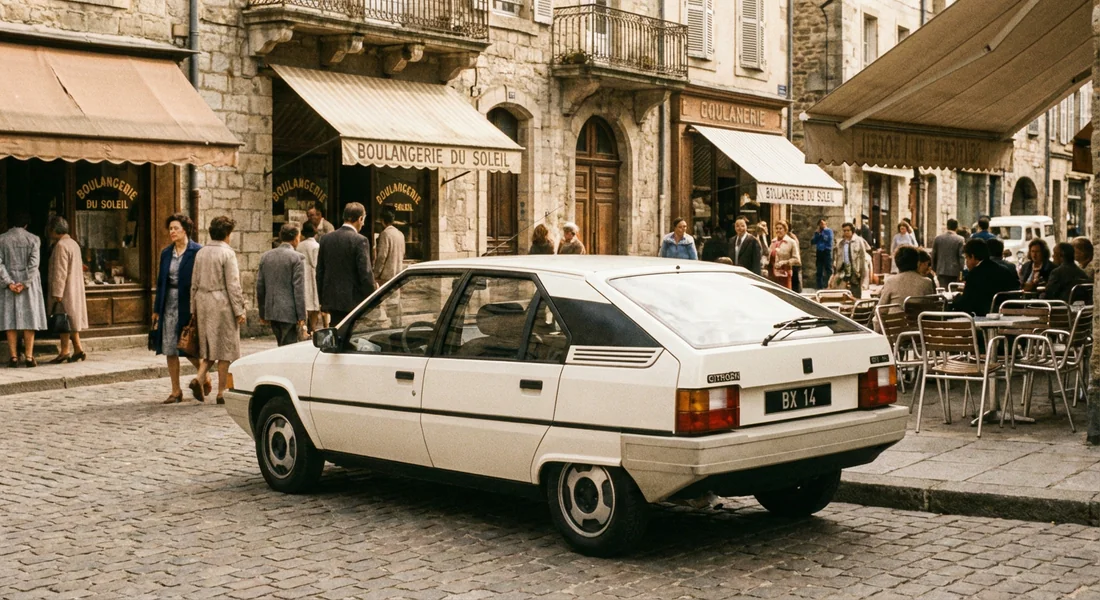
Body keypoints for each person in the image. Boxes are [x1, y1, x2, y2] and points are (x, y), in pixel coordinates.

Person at [189, 216, 247, 404]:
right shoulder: (227, 253)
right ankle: (222, 391)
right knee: (225, 348)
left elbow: (194, 283)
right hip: (221, 303)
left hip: (203, 302)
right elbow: (233, 284)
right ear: (227, 234)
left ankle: (199, 377)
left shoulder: (201, 252)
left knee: (208, 346)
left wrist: (193, 307)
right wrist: (239, 310)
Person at [153, 214, 207, 404]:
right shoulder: (166, 253)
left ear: (185, 230)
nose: (172, 232)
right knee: (170, 347)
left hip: (188, 303)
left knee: (188, 345)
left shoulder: (197, 251)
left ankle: (202, 375)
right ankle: (176, 391)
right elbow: (161, 282)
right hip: (169, 302)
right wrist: (157, 308)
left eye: (176, 228)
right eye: (170, 229)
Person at [0, 212, 47, 368]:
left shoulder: (2, 239)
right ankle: (28, 355)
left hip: (9, 282)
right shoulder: (34, 239)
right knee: (29, 318)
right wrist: (24, 283)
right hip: (28, 284)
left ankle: (13, 356)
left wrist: (9, 283)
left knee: (9, 319)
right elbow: (34, 265)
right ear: (26, 224)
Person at [317, 202, 375, 326]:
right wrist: (372, 294)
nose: (363, 223)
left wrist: (322, 299)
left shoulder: (326, 239)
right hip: (352, 300)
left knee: (336, 332)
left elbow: (320, 271)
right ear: (360, 219)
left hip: (331, 299)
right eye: (363, 220)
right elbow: (365, 273)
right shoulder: (360, 240)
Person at [46, 216, 88, 364]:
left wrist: (57, 293)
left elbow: (60, 272)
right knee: (68, 321)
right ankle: (76, 349)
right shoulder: (73, 244)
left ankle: (66, 351)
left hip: (65, 291)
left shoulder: (61, 246)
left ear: (54, 230)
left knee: (64, 320)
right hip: (74, 288)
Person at [257, 223, 307, 347]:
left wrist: (262, 312)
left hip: (272, 309)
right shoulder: (297, 258)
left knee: (280, 343)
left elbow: (260, 287)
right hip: (289, 311)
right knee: (288, 346)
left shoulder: (266, 257)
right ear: (296, 238)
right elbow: (298, 289)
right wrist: (302, 315)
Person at [952, 239, 1018, 316]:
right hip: (1007, 312)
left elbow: (966, 302)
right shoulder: (1004, 270)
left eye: (966, 258)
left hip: (982, 315)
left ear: (972, 257)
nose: (966, 262)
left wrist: (956, 297)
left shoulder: (974, 275)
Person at [878, 246, 936, 312]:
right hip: (918, 321)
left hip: (894, 321)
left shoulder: (890, 281)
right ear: (917, 262)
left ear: (897, 263)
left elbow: (881, 309)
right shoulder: (926, 282)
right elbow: (930, 307)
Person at [296, 221, 325, 334]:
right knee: (314, 302)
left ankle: (304, 328)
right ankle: (312, 327)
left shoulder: (299, 246)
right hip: (313, 274)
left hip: (302, 273)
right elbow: (315, 262)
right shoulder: (316, 246)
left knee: (305, 300)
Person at [832, 222, 870, 299]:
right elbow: (837, 257)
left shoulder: (859, 241)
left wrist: (864, 274)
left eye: (848, 230)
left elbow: (863, 257)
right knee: (842, 291)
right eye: (844, 230)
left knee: (855, 290)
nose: (846, 232)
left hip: (855, 270)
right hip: (844, 269)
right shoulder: (841, 243)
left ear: (852, 231)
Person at [766, 221, 800, 289]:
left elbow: (797, 260)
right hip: (772, 275)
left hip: (784, 275)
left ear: (785, 230)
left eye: (780, 228)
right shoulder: (773, 242)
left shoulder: (791, 242)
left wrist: (784, 262)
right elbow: (768, 256)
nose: (778, 230)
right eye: (776, 228)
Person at [931, 218, 965, 286]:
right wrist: (961, 270)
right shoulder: (960, 239)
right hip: (954, 271)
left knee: (943, 290)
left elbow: (933, 255)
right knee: (953, 291)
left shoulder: (938, 238)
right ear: (956, 227)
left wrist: (934, 268)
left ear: (947, 226)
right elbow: (961, 257)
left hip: (941, 270)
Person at [811, 218, 834, 290]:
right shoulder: (817, 232)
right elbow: (813, 241)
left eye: (823, 224)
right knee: (819, 269)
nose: (822, 225)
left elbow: (828, 239)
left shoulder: (829, 231)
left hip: (827, 251)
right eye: (821, 224)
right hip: (819, 251)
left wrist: (821, 234)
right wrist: (818, 234)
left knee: (828, 268)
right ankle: (819, 286)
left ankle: (829, 284)